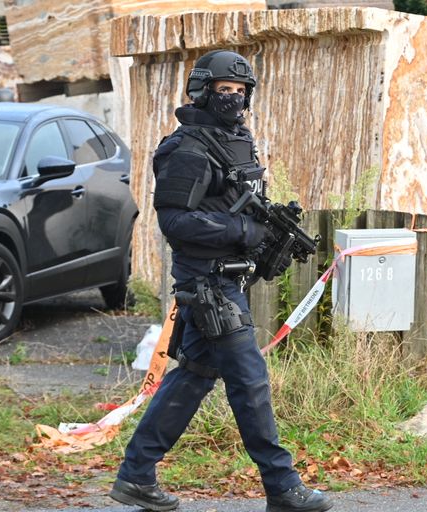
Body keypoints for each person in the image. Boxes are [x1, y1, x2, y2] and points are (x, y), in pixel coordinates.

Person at [109, 50, 333, 512]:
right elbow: (173, 221)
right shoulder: (188, 149)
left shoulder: (236, 140)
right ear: (202, 90)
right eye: (223, 90)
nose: (232, 98)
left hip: (226, 279)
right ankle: (282, 485)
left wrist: (264, 237)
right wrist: (241, 232)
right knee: (249, 380)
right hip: (207, 284)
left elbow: (238, 200)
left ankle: (135, 476)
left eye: (239, 91)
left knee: (193, 377)